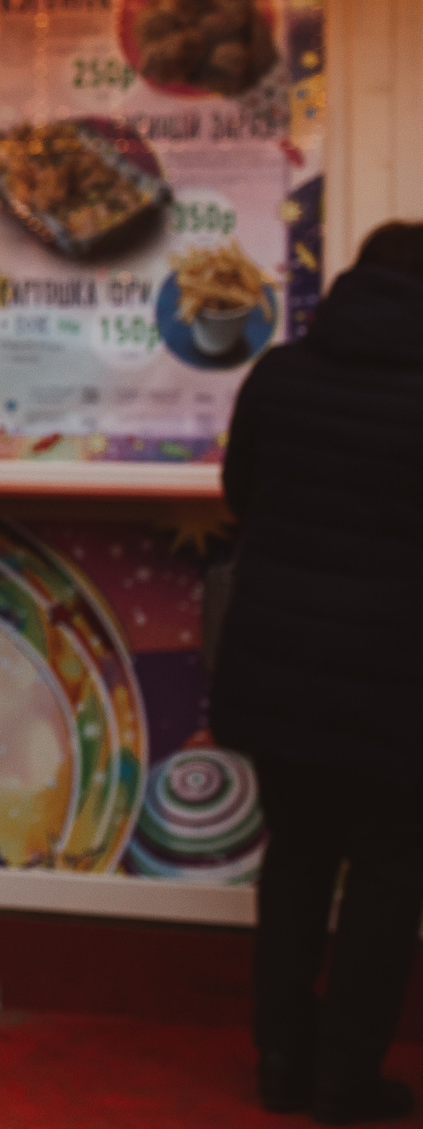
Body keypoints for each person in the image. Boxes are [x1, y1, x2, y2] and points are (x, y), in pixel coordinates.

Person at [213, 220, 423, 1125]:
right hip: (398, 689)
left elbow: (239, 492)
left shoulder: (281, 374)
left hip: (283, 676)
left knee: (293, 860)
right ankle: (345, 1080)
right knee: (386, 878)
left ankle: (281, 1062)